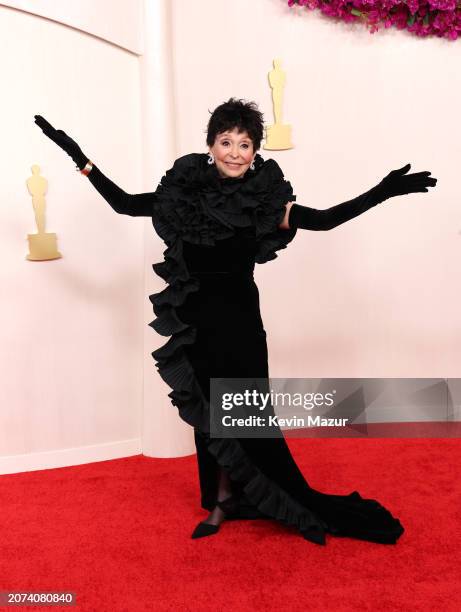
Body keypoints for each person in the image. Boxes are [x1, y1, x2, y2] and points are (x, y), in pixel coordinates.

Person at [34, 99, 436, 545]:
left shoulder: (265, 200)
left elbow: (323, 220)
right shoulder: (184, 196)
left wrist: (383, 190)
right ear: (210, 145)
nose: (235, 152)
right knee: (210, 417)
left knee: (245, 417)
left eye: (245, 144)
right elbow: (125, 204)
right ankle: (223, 499)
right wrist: (79, 157)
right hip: (196, 324)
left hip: (242, 325)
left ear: (255, 151)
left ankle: (276, 497)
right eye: (226, 141)